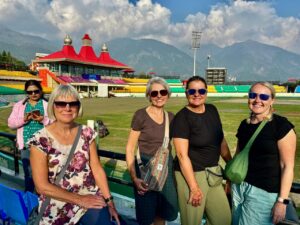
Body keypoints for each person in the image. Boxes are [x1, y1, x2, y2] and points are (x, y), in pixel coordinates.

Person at [28, 84, 120, 225]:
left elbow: (96, 169)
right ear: (53, 106)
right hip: (57, 203)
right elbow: (41, 186)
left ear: (78, 106)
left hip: (90, 199)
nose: (67, 108)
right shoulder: (40, 140)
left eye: (73, 104)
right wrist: (80, 199)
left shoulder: (87, 133)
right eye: (61, 104)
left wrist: (110, 201)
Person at [231, 82, 296, 225]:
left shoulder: (281, 126)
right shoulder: (244, 124)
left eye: (264, 96)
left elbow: (287, 166)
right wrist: (230, 181)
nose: (257, 100)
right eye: (253, 95)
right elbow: (238, 155)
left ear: (272, 100)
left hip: (263, 192)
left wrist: (282, 201)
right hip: (239, 186)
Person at [171, 76, 232, 225]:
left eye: (201, 90)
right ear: (186, 93)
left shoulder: (212, 109)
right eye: (192, 90)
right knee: (192, 221)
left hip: (213, 173)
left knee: (223, 220)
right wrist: (194, 187)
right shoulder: (182, 118)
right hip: (191, 175)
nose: (197, 94)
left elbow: (221, 140)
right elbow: (181, 155)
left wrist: (230, 165)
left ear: (206, 92)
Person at [126, 77, 178, 225]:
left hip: (165, 170)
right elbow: (130, 148)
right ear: (149, 96)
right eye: (154, 93)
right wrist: (134, 177)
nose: (159, 96)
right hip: (145, 169)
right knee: (146, 215)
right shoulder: (140, 115)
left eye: (163, 92)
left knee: (163, 212)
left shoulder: (171, 117)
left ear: (168, 94)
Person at [8, 79, 50, 192]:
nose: (33, 94)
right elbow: (11, 123)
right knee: (29, 174)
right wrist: (23, 119)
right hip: (26, 145)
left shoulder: (48, 105)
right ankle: (31, 200)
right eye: (29, 92)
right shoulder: (19, 105)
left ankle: (43, 200)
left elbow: (56, 124)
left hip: (44, 146)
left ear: (41, 91)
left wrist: (44, 120)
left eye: (36, 91)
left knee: (44, 174)